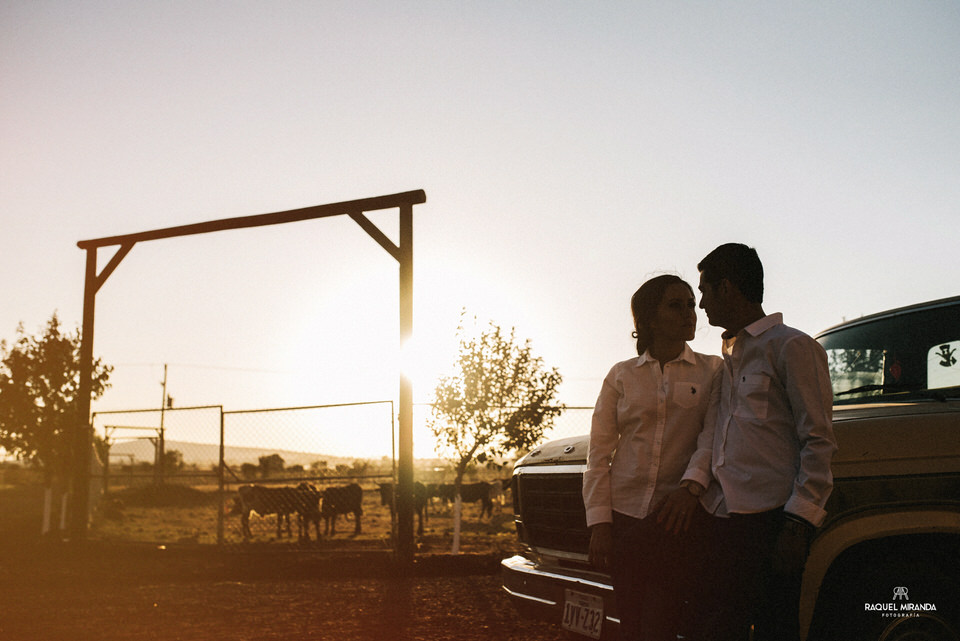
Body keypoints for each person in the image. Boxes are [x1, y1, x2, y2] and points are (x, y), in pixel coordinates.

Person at [695, 243, 837, 641]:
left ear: (726, 288)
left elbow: (819, 439)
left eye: (705, 290)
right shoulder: (729, 358)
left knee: (776, 629)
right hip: (722, 518)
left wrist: (798, 523)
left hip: (771, 522)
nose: (702, 304)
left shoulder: (791, 346)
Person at [582, 274, 722, 641]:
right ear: (648, 319)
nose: (690, 313)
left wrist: (691, 487)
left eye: (692, 304)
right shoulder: (622, 376)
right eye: (676, 305)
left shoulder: (713, 370)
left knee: (661, 622)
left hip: (676, 519)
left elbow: (713, 435)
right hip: (624, 518)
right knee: (630, 623)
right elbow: (598, 454)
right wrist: (600, 524)